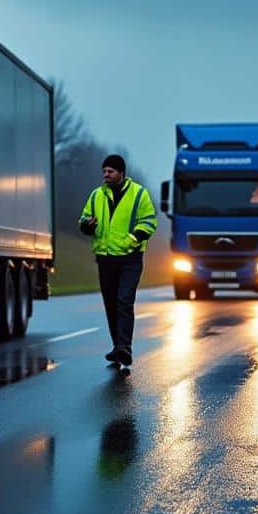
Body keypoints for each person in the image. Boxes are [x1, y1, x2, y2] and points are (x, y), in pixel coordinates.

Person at [79, 154, 157, 372]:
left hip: (130, 258)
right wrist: (88, 225)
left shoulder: (138, 194)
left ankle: (125, 347)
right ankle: (117, 347)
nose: (106, 174)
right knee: (111, 303)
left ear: (121, 173)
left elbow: (149, 221)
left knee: (124, 300)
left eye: (110, 171)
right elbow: (83, 219)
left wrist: (132, 240)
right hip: (105, 259)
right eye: (104, 171)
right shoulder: (96, 196)